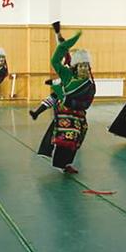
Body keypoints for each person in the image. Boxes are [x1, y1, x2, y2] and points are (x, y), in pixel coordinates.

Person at [37, 31, 96, 173]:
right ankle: (60, 164)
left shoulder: (90, 85)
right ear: (76, 67)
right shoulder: (67, 74)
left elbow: (86, 104)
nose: (83, 68)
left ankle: (67, 163)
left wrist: (68, 101)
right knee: (65, 139)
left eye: (86, 66)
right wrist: (65, 45)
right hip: (63, 114)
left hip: (78, 115)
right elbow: (55, 61)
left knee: (75, 139)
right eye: (81, 66)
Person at [29, 21, 71, 120]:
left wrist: (53, 82)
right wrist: (57, 32)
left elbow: (68, 78)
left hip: (69, 89)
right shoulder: (63, 59)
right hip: (64, 87)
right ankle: (36, 113)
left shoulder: (69, 61)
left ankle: (37, 113)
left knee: (54, 98)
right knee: (53, 97)